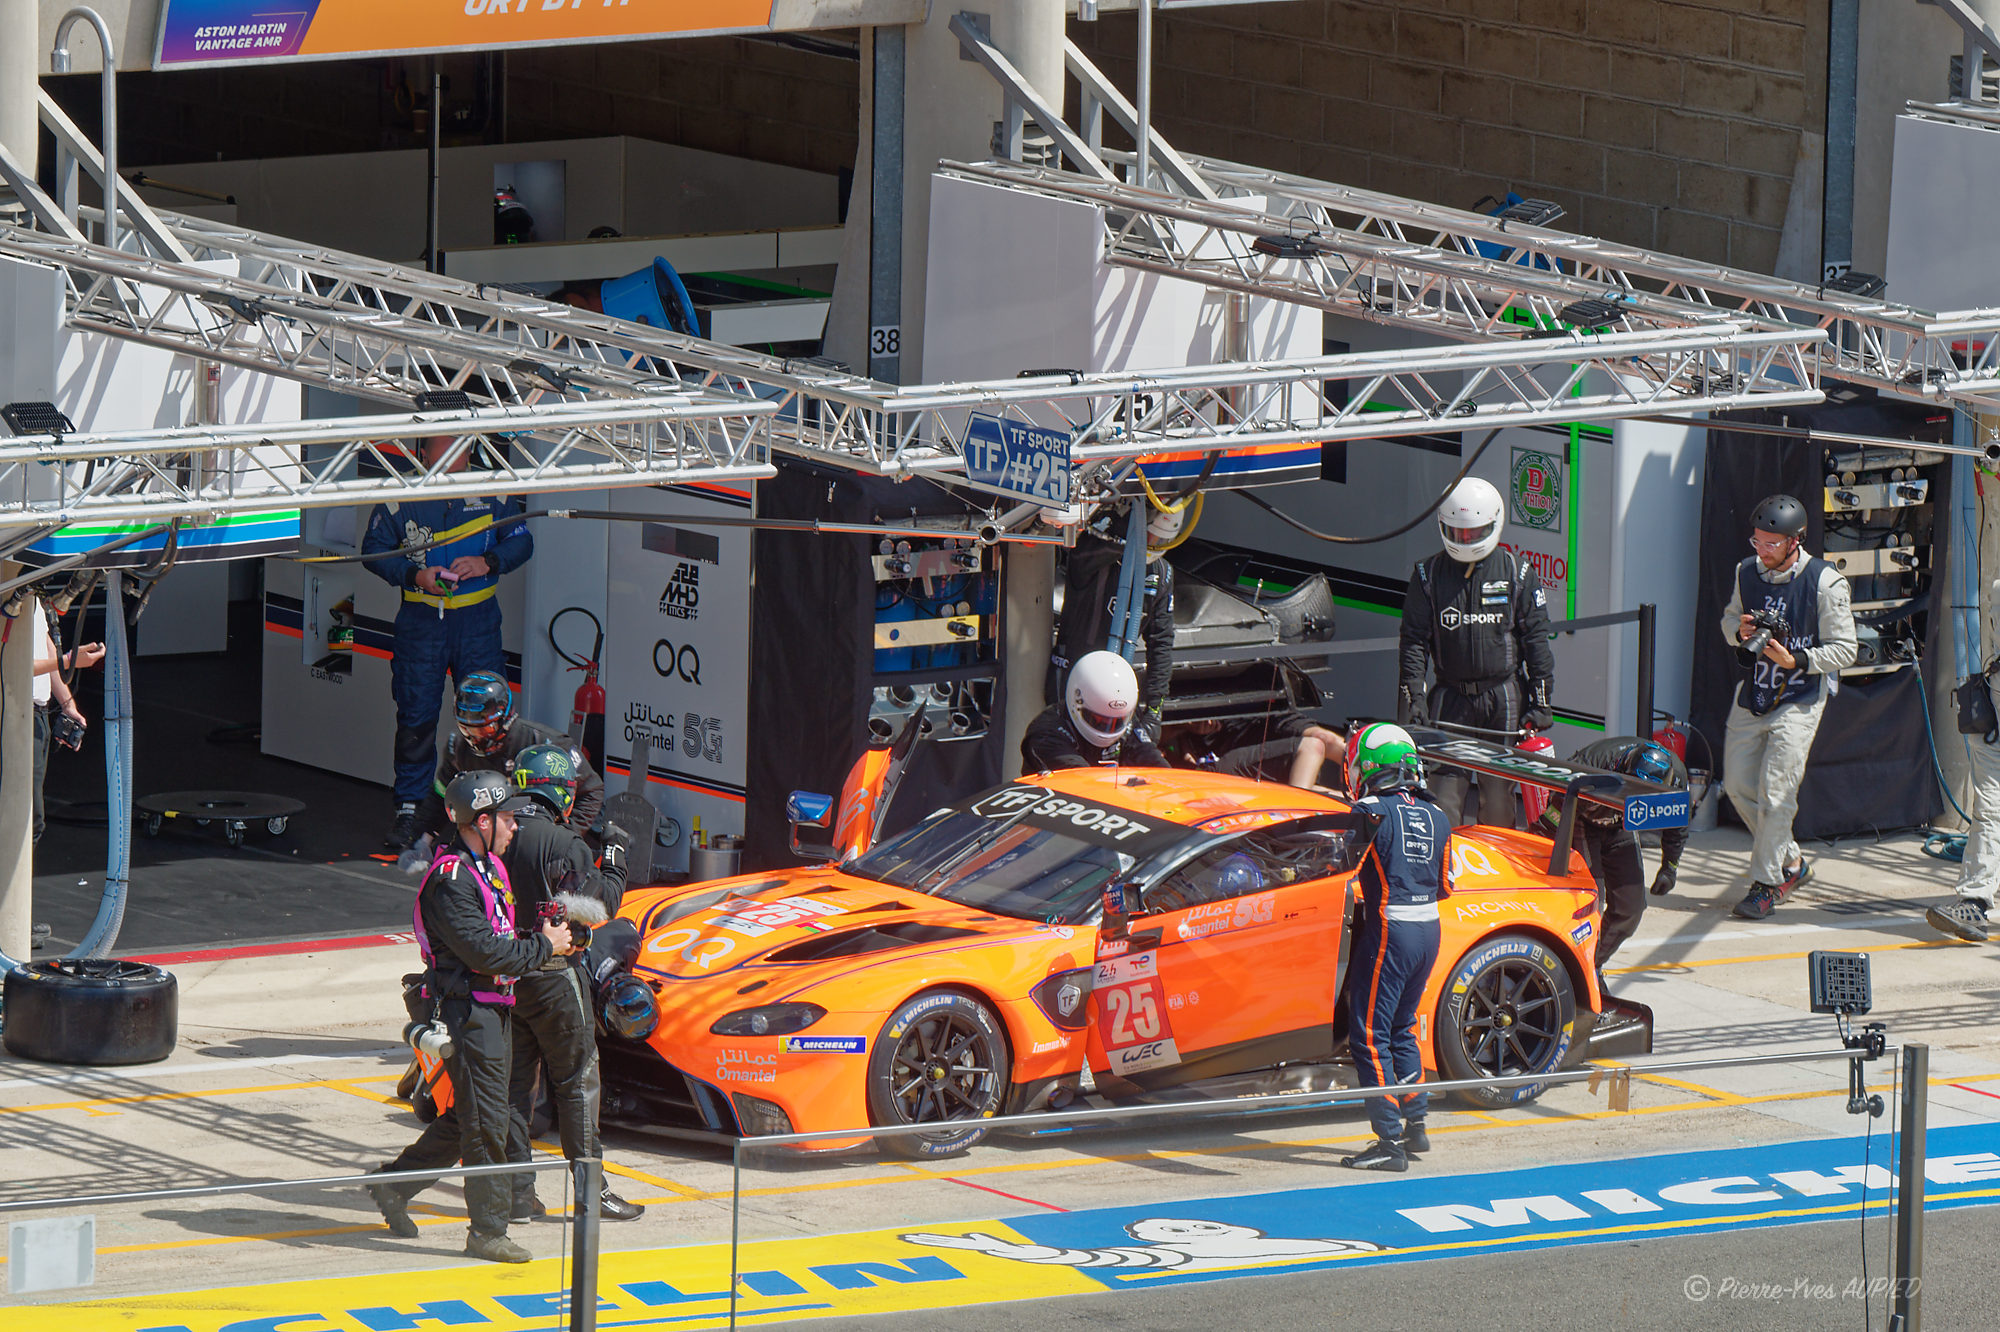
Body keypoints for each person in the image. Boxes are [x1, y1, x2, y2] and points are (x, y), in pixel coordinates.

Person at [368, 770, 575, 1264]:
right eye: (506, 819)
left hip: (492, 1008)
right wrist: (544, 946)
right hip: (467, 1010)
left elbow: (503, 940)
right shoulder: (451, 880)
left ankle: (394, 1186)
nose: (514, 827)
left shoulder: (490, 870)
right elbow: (486, 953)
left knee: (471, 1115)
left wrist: (541, 937)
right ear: (481, 822)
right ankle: (487, 1230)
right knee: (488, 1124)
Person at [363, 435, 534, 850]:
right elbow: (372, 550)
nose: (450, 453)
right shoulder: (399, 494)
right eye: (441, 445)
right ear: (422, 449)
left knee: (489, 719)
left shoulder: (494, 489)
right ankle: (410, 811)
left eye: (458, 445)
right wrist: (414, 575)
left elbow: (522, 540)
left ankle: (492, 807)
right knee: (416, 718)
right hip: (421, 624)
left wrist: (487, 562)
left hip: (477, 623)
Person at [498, 744, 642, 1224]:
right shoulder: (563, 843)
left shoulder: (496, 831)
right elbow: (599, 910)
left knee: (517, 1088)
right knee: (578, 1084)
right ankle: (590, 1192)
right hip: (557, 978)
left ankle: (518, 1195)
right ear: (561, 792)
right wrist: (616, 861)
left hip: (506, 974)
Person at [1719, 494, 1856, 921]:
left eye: (1771, 544)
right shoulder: (1745, 571)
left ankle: (1766, 883)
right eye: (1757, 541)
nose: (1761, 550)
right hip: (1755, 692)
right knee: (1738, 785)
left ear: (1796, 540)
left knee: (1777, 794)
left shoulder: (1825, 582)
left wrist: (1797, 659)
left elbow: (1847, 650)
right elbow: (1727, 624)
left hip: (1799, 697)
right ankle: (1791, 861)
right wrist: (1739, 631)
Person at [1397, 477, 1555, 828]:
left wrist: (1541, 702)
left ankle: (1496, 874)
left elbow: (1537, 641)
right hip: (1450, 697)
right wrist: (1415, 698)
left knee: (1499, 801)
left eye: (1473, 533)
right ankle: (1446, 873)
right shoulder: (1427, 575)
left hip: (1504, 698)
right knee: (1443, 798)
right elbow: (1412, 642)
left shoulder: (1518, 572)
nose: (1465, 540)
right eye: (1457, 533)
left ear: (1494, 523)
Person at [1334, 722, 1452, 1173]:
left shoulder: (1369, 809)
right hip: (1429, 930)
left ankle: (1388, 1142)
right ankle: (1416, 1125)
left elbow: (1339, 867)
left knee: (1368, 1035)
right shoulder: (1439, 815)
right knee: (1403, 1027)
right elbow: (1445, 884)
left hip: (1391, 930)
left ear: (1371, 768)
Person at [1529, 737, 1688, 988]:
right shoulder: (1586, 769)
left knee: (1631, 908)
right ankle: (1575, 971)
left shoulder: (1677, 778)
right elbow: (1555, 814)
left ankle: (1590, 967)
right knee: (1590, 906)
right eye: (1632, 791)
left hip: (1621, 827)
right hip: (1582, 821)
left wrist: (1670, 866)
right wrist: (1536, 844)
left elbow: (1678, 819)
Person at [414, 670, 606, 843]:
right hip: (492, 840)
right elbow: (441, 793)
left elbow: (592, 791)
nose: (475, 738)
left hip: (541, 839)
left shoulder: (544, 742)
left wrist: (563, 836)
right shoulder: (458, 747)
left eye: (485, 728)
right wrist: (422, 839)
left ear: (505, 718)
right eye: (466, 729)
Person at [1047, 498, 1181, 738]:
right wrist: (1122, 534)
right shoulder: (1094, 555)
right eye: (1151, 536)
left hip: (1115, 688)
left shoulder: (1162, 574)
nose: (1154, 544)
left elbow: (1161, 645)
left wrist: (1154, 710)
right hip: (1068, 679)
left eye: (1161, 540)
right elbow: (1081, 554)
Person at [1021, 650, 1166, 772]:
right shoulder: (1047, 735)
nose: (1108, 727)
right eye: (1100, 720)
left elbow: (1151, 758)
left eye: (1116, 722)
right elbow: (1082, 782)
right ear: (1077, 703)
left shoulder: (1125, 717)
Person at [30, 597, 101, 845]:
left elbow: (44, 641)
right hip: (14, 714)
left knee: (31, 819)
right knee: (28, 819)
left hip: (37, 714)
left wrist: (67, 703)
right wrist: (68, 661)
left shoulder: (30, 594)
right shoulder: (9, 596)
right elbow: (11, 663)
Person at [1167, 705, 1348, 790]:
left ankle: (1370, 778)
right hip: (1231, 771)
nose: (1207, 722)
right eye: (1192, 720)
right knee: (1313, 748)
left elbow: (1323, 740)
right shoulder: (1178, 738)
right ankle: (1296, 820)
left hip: (1264, 716)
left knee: (1320, 740)